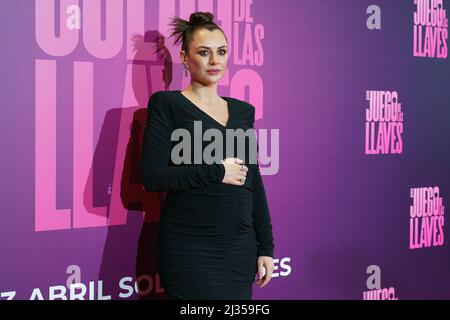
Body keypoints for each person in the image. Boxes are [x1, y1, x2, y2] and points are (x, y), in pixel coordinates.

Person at [140, 11, 274, 300]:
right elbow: (151, 176)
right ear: (185, 57)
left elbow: (254, 182)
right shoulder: (167, 104)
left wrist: (266, 247)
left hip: (239, 246)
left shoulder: (243, 111)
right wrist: (216, 171)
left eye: (221, 52)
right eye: (204, 52)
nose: (215, 61)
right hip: (189, 246)